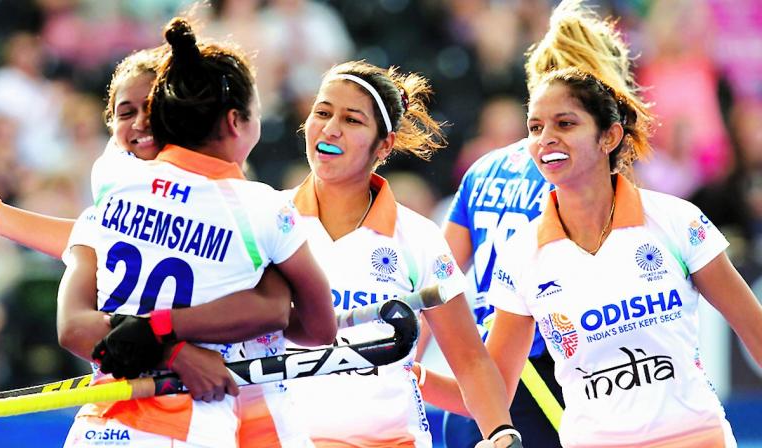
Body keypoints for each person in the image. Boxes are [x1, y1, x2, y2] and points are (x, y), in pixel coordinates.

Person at [60, 18, 337, 447]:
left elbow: (74, 327)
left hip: (98, 423)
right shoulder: (262, 209)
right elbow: (317, 326)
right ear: (235, 121)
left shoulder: (111, 182)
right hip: (189, 424)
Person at [488, 65, 762, 447]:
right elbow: (487, 387)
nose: (545, 139)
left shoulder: (675, 219)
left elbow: (757, 331)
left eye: (565, 124)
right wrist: (409, 373)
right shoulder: (521, 253)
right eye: (535, 128)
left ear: (609, 137)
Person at [418, 1, 630, 446]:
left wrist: (405, 365)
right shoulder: (579, 176)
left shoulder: (485, 169)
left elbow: (434, 281)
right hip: (557, 377)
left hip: (481, 382)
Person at [276, 60, 518, 448]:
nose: (330, 127)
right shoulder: (268, 220)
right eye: (322, 112)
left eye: (352, 120)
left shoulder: (419, 237)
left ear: (384, 145)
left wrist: (502, 433)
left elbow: (471, 361)